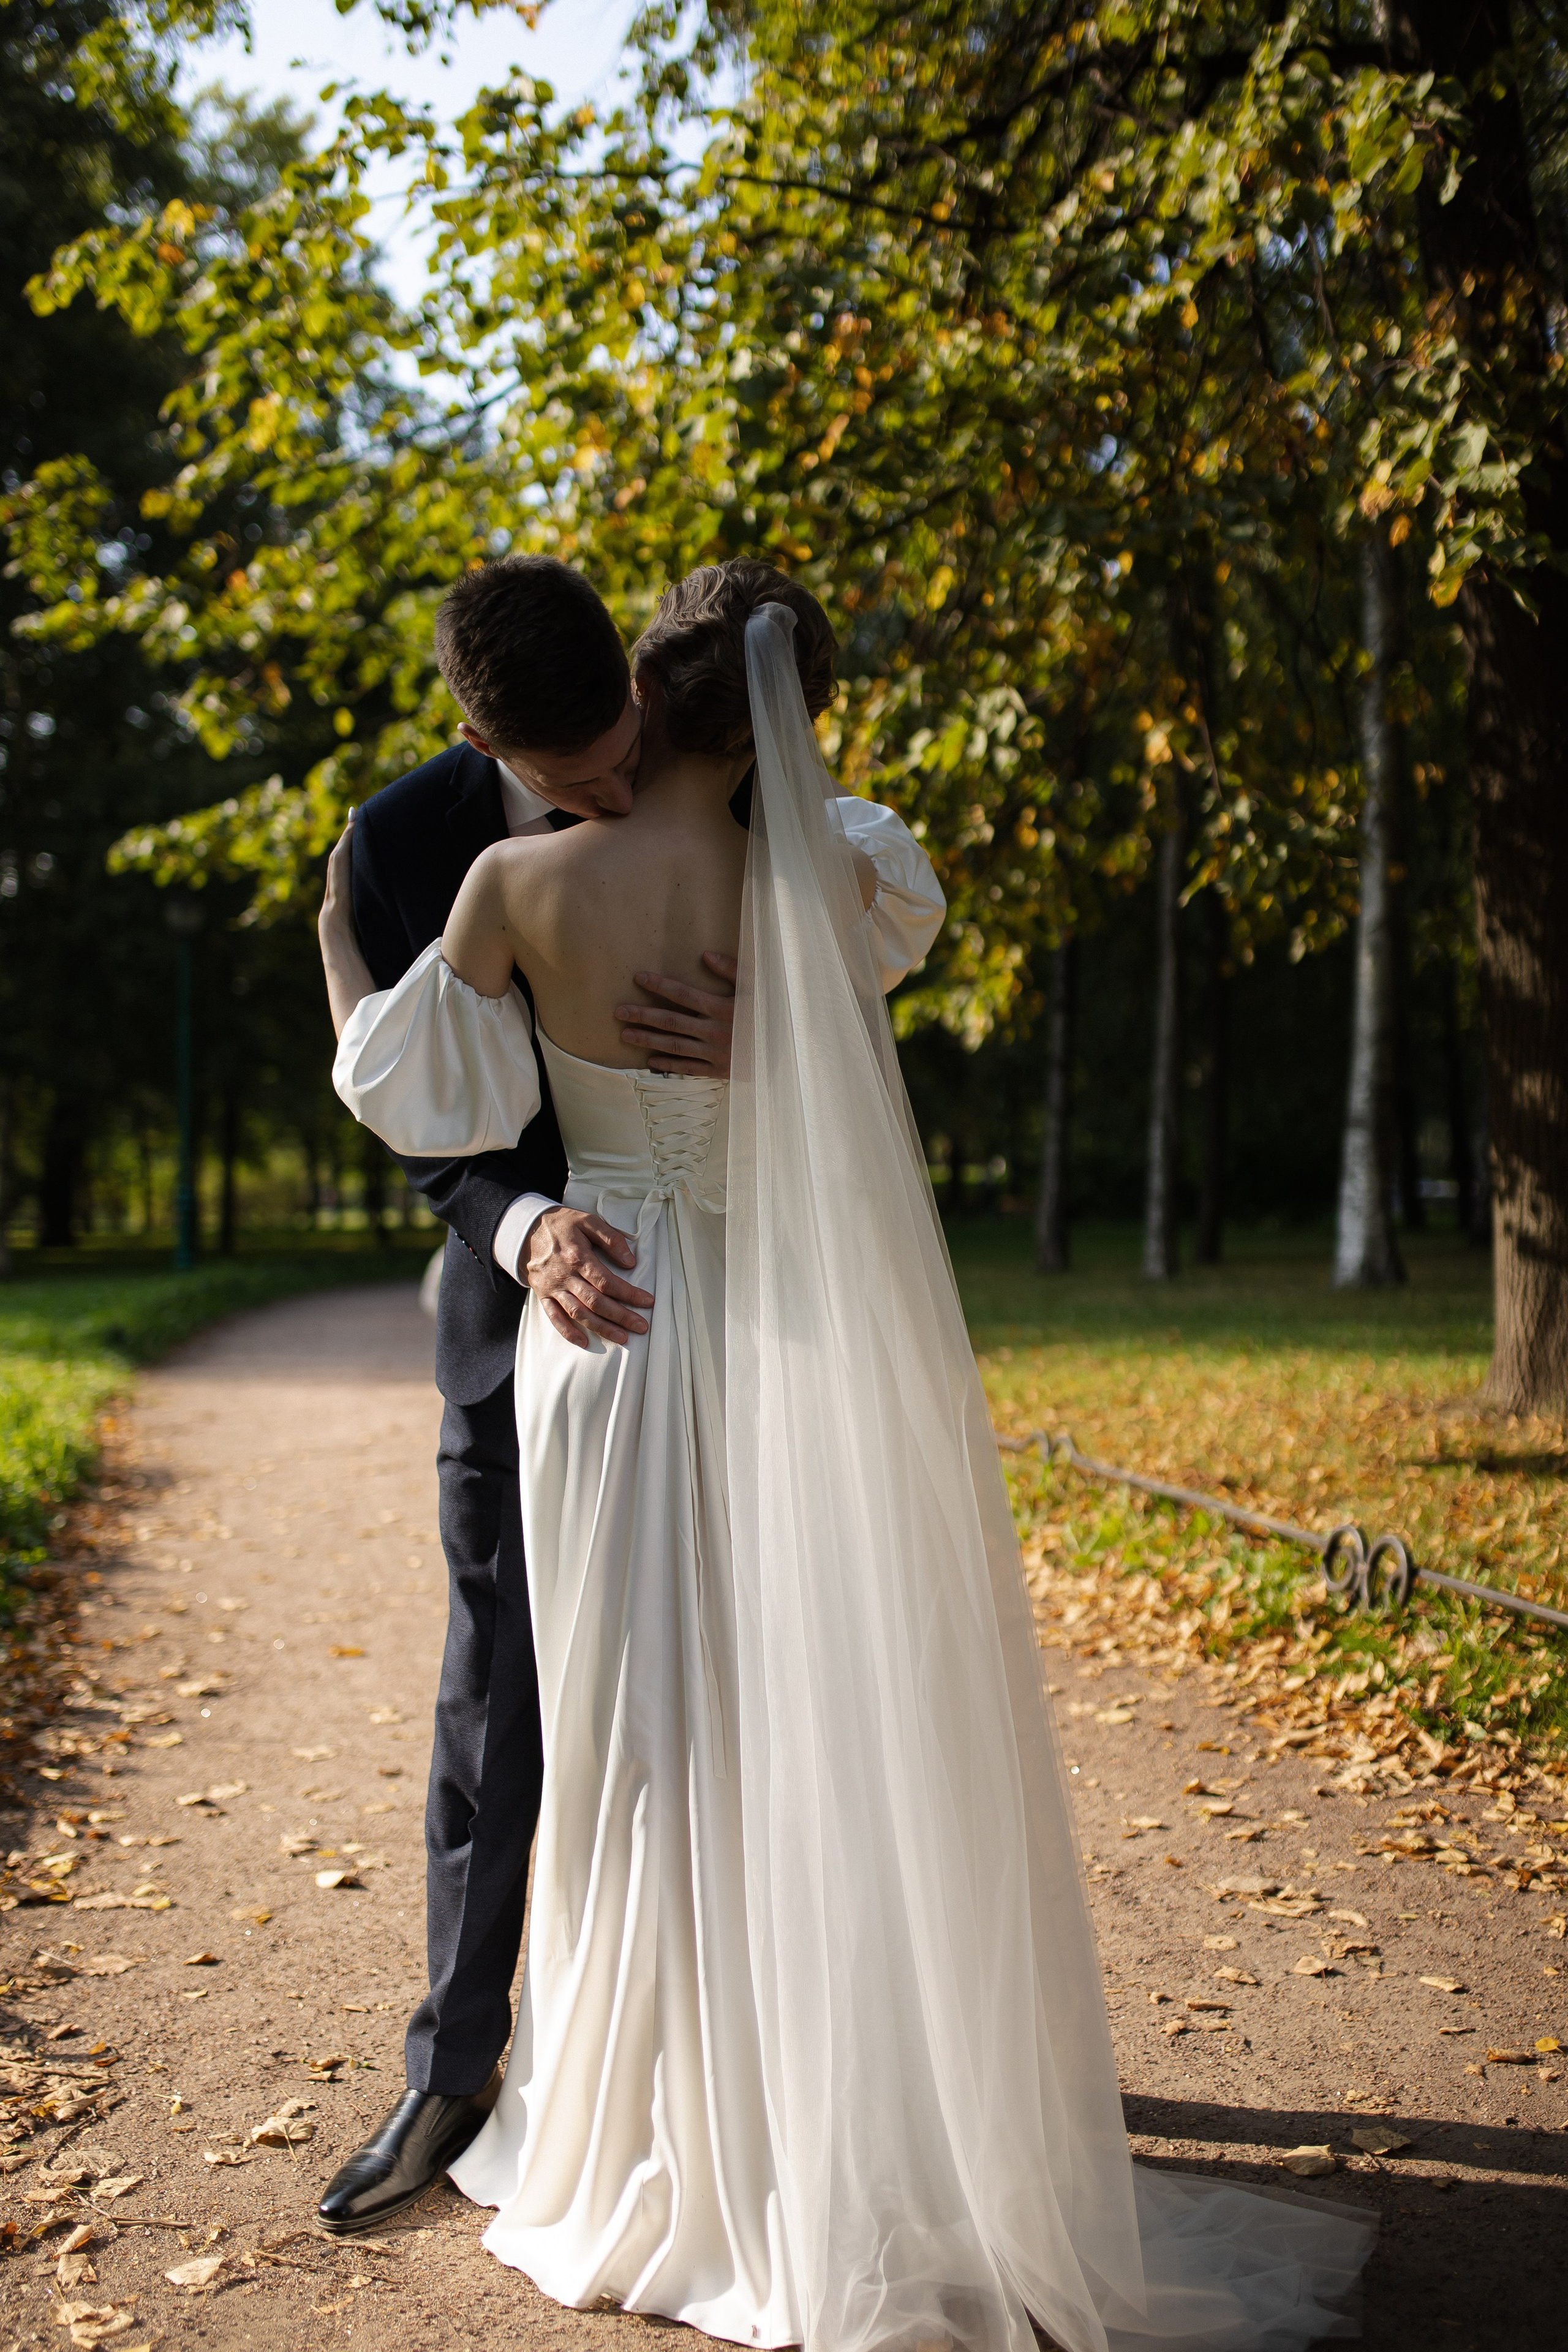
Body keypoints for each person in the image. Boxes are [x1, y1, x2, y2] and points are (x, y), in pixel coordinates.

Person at [326, 559, 1376, 2352]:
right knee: (783, 1709)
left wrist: (354, 952)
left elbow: (396, 1072)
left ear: (647, 705)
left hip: (623, 1341)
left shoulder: (513, 884)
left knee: (635, 1736)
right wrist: (776, 1034)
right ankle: (791, 2107)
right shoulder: (817, 873)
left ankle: (664, 2124)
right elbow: (848, 979)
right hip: (754, 1320)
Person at [314, 557, 747, 2234]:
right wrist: (520, 1223)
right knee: (502, 1686)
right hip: (532, 1326)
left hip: (743, 1292)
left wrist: (764, 1031)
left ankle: (793, 2054)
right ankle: (454, 2071)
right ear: (479, 733)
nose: (621, 789)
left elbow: (840, 961)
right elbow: (420, 1115)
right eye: (579, 780)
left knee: (761, 1667)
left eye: (628, 744)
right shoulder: (403, 846)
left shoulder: (721, 753)